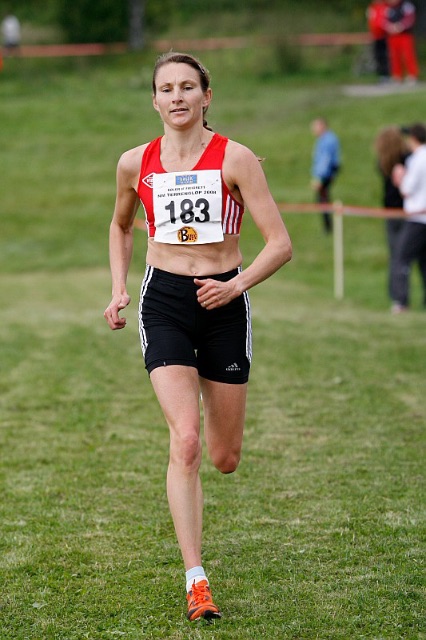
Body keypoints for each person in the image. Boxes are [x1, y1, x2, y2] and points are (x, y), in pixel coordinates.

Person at [104, 52, 292, 621]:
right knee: (184, 439)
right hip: (164, 301)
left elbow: (280, 244)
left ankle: (214, 420)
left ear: (206, 96)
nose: (177, 96)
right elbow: (119, 225)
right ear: (155, 101)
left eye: (188, 87)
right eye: (167, 88)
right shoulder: (135, 163)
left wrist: (235, 286)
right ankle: (196, 579)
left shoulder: (235, 158)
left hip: (224, 302)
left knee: (224, 457)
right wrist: (118, 287)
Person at [391, 123, 426, 313]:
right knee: (424, 261)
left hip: (417, 217)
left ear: (413, 138)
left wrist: (400, 177)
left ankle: (401, 301)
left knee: (402, 258)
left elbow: (407, 189)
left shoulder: (417, 159)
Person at [374, 126, 410, 305]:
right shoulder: (405, 158)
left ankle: (396, 296)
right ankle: (400, 297)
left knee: (396, 255)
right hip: (405, 211)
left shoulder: (383, 161)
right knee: (402, 256)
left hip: (390, 212)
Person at [310, 117, 341, 234]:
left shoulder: (327, 140)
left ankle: (328, 227)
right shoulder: (324, 139)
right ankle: (328, 226)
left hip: (326, 174)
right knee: (323, 199)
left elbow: (325, 160)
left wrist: (320, 179)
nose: (313, 129)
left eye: (316, 126)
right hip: (327, 172)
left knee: (323, 199)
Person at [384, 0, 419, 84]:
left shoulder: (406, 5)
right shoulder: (386, 7)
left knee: (408, 54)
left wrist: (400, 26)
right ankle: (397, 76)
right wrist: (389, 27)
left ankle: (412, 75)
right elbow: (381, 19)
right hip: (392, 35)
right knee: (394, 56)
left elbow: (410, 18)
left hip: (405, 35)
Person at [366, 1, 390, 81]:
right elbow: (371, 21)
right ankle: (382, 75)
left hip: (386, 36)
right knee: (378, 56)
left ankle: (389, 74)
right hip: (376, 36)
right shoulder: (372, 8)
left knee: (386, 56)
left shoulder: (386, 8)